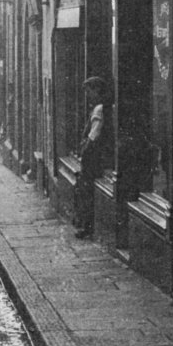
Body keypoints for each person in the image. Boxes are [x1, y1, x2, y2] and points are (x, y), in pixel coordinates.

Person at [75, 76, 108, 239]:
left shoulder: (99, 109)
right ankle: (85, 224)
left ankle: (86, 227)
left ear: (97, 90)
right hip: (93, 159)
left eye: (89, 91)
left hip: (93, 160)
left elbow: (94, 135)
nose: (87, 96)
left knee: (87, 192)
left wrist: (85, 150)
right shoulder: (98, 108)